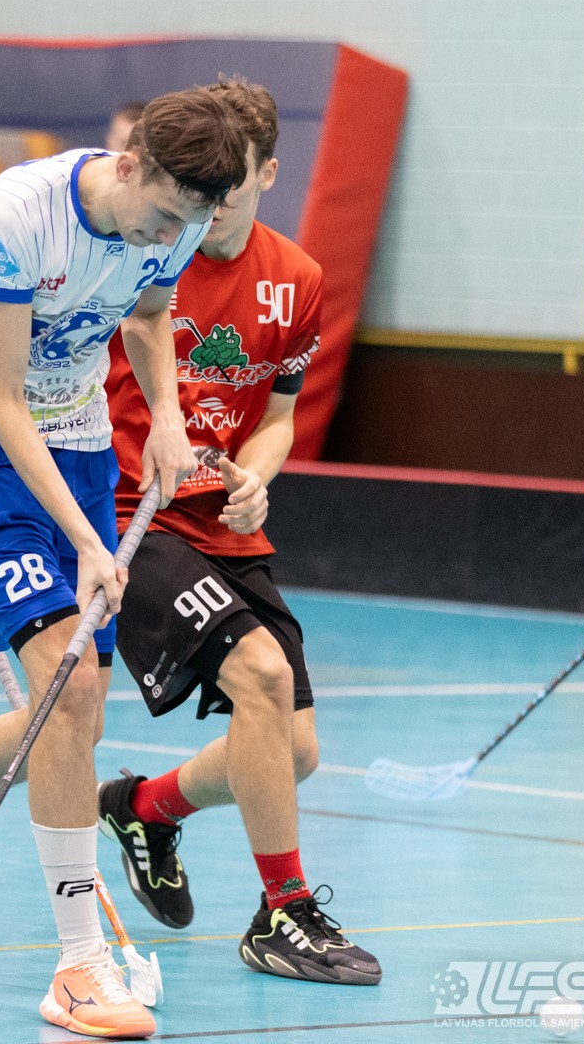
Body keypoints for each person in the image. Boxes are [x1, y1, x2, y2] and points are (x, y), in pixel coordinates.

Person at [0, 87, 248, 1039]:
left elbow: (149, 317)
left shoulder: (179, 219)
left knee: (74, 711)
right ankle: (78, 969)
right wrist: (92, 543)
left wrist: (168, 420)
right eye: (160, 216)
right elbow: (5, 397)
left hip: (84, 449)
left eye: (183, 227)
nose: (167, 238)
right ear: (130, 162)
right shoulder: (14, 220)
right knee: (69, 692)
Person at [92, 79, 381, 985]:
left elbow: (279, 417)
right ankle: (283, 913)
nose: (210, 204)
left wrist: (256, 476)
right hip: (127, 516)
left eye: (231, 185)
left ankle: (145, 807)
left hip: (223, 528)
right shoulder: (141, 252)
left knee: (294, 751)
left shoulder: (298, 280)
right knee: (260, 676)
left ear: (268, 175)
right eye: (200, 187)